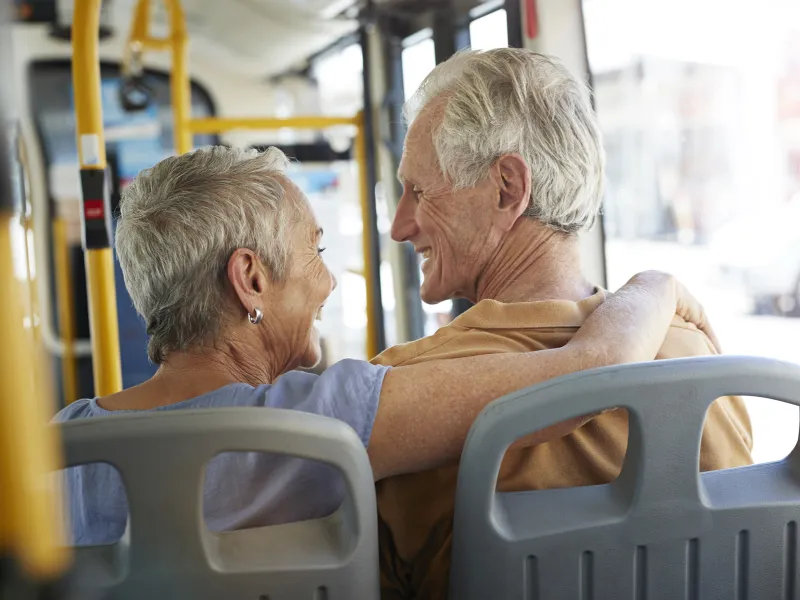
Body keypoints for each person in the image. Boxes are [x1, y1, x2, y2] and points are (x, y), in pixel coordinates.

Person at [55, 145, 706, 546]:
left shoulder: (57, 449)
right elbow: (589, 372)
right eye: (313, 250)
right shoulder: (315, 423)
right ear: (250, 279)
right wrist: (659, 283)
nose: (329, 278)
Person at [374, 48, 753, 599]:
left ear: (507, 187)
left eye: (419, 191)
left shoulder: (407, 391)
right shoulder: (702, 362)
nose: (400, 225)